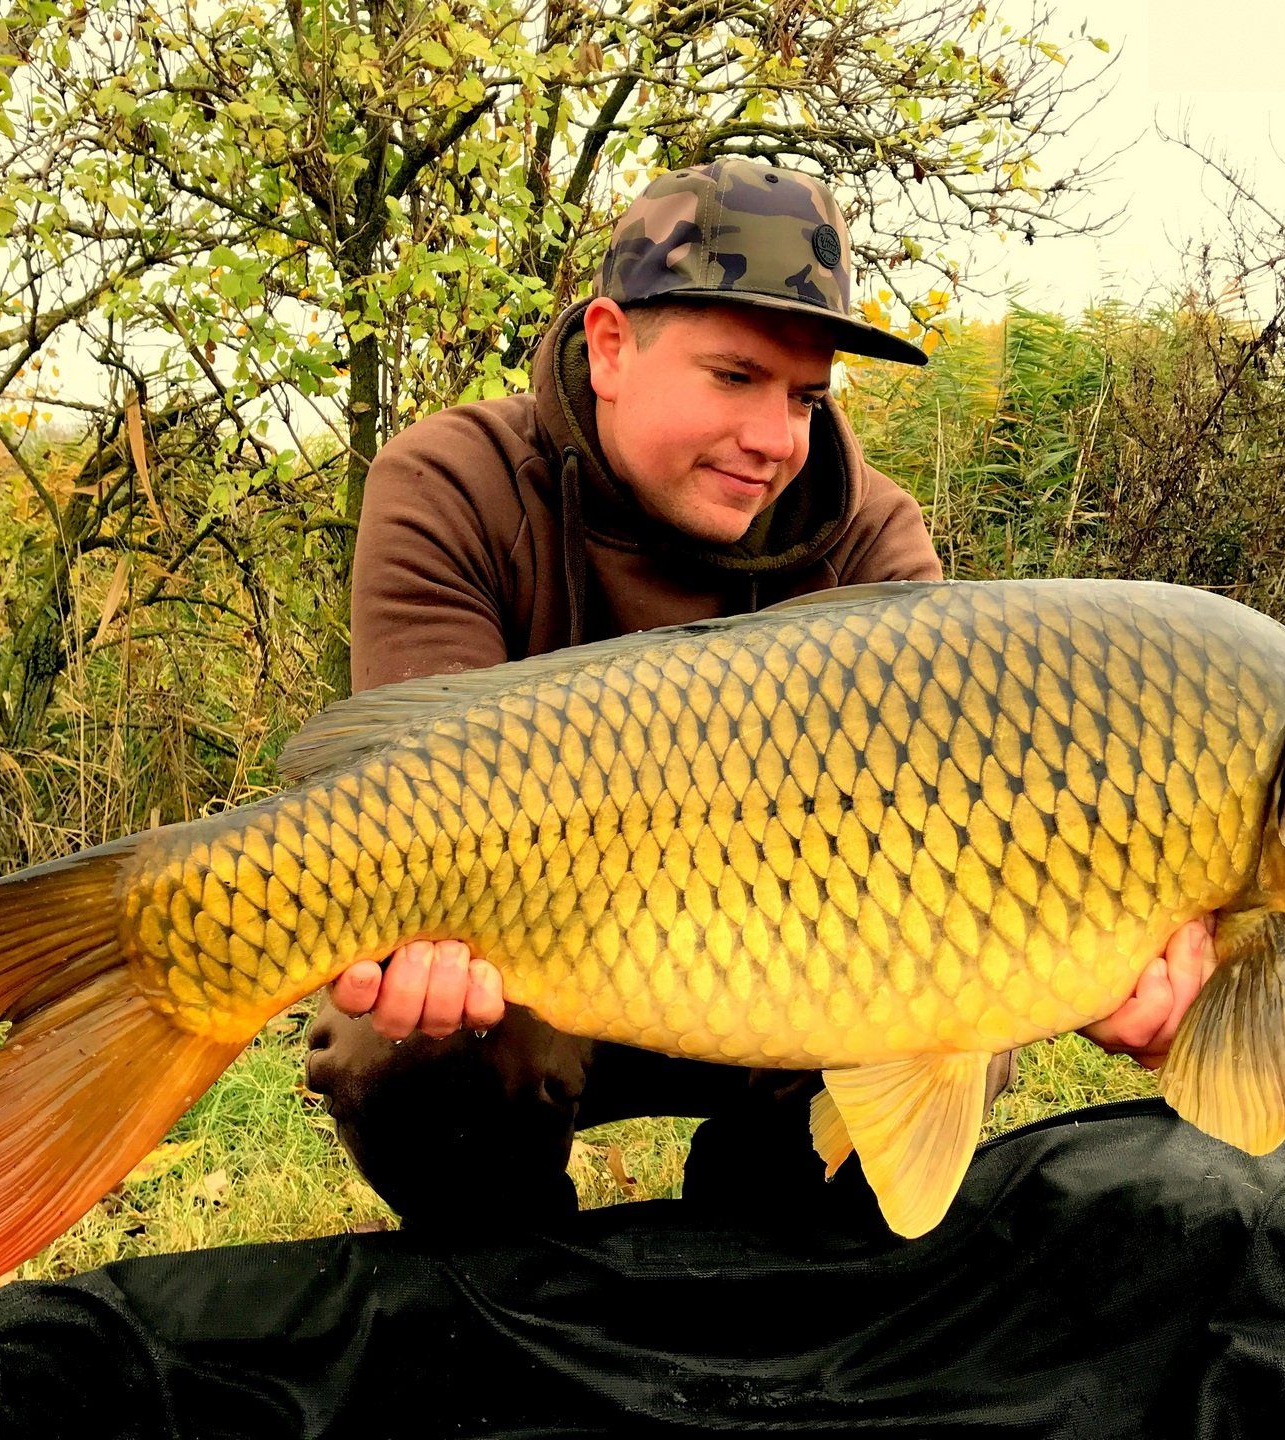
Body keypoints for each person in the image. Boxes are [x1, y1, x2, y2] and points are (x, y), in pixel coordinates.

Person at [304, 157, 1218, 1228]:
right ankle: (516, 1282)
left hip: (790, 977)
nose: (776, 438)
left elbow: (959, 854)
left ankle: (769, 1248)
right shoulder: (451, 483)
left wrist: (1091, 959)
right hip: (539, 978)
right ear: (609, 346)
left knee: (959, 1007)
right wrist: (422, 955)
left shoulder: (873, 536)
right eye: (735, 378)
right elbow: (412, 805)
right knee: (396, 1041)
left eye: (806, 396)